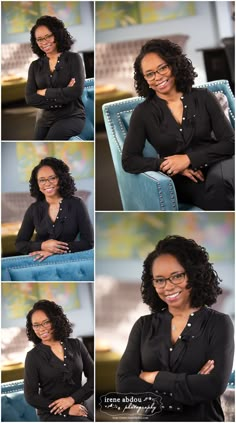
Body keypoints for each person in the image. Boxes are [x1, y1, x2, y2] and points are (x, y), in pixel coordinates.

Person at [117, 235, 234, 421]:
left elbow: (214, 385)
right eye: (159, 280)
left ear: (194, 274)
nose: (168, 287)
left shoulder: (219, 323)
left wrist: (153, 376)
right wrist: (187, 387)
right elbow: (124, 385)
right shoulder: (143, 325)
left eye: (177, 276)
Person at [122, 39, 234, 210]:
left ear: (174, 65)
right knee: (218, 192)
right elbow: (129, 161)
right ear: (144, 79)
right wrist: (165, 164)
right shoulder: (143, 113)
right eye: (150, 74)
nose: (158, 77)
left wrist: (188, 159)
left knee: (221, 183)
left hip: (217, 162)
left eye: (162, 68)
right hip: (183, 178)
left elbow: (230, 143)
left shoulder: (204, 97)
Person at [24, 300, 94, 421]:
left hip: (79, 407)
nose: (41, 329)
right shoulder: (32, 357)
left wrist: (72, 400)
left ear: (55, 321)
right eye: (36, 325)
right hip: (52, 414)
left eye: (46, 322)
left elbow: (94, 377)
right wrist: (66, 409)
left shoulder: (76, 344)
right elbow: (31, 396)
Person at [15, 157, 94, 260]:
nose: (47, 183)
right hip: (40, 262)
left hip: (69, 261)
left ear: (61, 179)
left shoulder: (76, 204)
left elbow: (88, 242)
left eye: (52, 178)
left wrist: (55, 251)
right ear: (37, 184)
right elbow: (19, 244)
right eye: (42, 180)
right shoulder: (33, 209)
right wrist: (42, 246)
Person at [26, 15, 86, 140]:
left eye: (48, 36)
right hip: (45, 119)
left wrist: (44, 92)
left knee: (51, 139)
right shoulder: (35, 66)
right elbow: (30, 98)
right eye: (39, 39)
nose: (44, 42)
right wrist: (64, 94)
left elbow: (76, 91)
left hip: (71, 116)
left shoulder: (74, 59)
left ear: (57, 35)